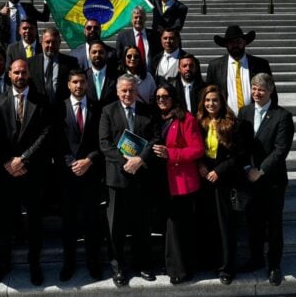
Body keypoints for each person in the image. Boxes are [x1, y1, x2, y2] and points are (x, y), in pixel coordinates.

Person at [0, 60, 52, 287]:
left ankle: (34, 263)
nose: (20, 76)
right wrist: (8, 162)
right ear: (9, 75)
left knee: (35, 220)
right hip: (6, 172)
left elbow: (46, 134)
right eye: (16, 72)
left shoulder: (42, 101)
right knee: (5, 221)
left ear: (29, 75)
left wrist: (23, 158)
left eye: (23, 72)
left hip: (32, 170)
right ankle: (4, 262)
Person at [99, 74, 160, 287]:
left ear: (137, 92)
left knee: (141, 226)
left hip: (141, 179)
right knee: (115, 227)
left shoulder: (147, 112)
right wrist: (127, 161)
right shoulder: (108, 111)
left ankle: (143, 264)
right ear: (117, 91)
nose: (127, 94)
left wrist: (140, 160)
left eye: (131, 91)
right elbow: (104, 144)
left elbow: (155, 140)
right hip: (117, 179)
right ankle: (117, 268)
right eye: (124, 91)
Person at [238, 73, 294, 287]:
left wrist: (260, 170)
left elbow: (280, 150)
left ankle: (274, 265)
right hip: (249, 179)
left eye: (261, 89)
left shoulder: (282, 116)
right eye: (253, 88)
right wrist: (246, 168)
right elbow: (240, 145)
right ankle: (255, 259)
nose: (256, 93)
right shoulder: (244, 112)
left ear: (271, 91)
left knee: (273, 225)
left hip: (272, 181)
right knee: (253, 222)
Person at [195, 85, 253, 285]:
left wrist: (218, 171)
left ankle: (227, 267)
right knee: (208, 223)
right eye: (208, 100)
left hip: (224, 179)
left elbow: (239, 155)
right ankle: (212, 262)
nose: (211, 104)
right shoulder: (200, 122)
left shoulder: (231, 124)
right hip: (204, 178)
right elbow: (196, 149)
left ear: (222, 102)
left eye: (215, 100)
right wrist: (201, 165)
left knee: (226, 225)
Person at [152, 83, 204, 285]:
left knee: (178, 227)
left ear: (173, 97)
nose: (161, 100)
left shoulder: (186, 119)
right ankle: (171, 265)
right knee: (168, 226)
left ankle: (181, 270)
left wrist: (170, 153)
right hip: (163, 181)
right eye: (158, 97)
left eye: (165, 96)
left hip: (181, 181)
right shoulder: (158, 119)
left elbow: (198, 149)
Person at [55, 68, 104, 281]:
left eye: (82, 82)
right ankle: (69, 263)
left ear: (87, 84)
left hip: (91, 174)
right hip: (67, 176)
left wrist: (89, 160)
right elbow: (55, 141)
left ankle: (94, 263)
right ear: (68, 84)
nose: (79, 86)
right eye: (74, 82)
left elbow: (102, 141)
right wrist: (71, 163)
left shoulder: (97, 107)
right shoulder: (59, 108)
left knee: (92, 222)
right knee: (69, 224)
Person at [206, 25, 276, 116]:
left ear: (245, 42)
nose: (235, 45)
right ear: (226, 45)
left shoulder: (260, 64)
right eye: (231, 42)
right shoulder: (214, 66)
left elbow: (272, 94)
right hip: (225, 119)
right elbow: (209, 94)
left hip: (255, 117)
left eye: (238, 41)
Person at [28, 26, 79, 105]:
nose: (51, 45)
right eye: (47, 42)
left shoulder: (71, 62)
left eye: (54, 42)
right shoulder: (31, 63)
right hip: (38, 111)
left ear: (59, 43)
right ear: (42, 42)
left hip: (62, 110)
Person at [85, 40, 118, 108]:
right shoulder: (84, 76)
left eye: (101, 52)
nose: (97, 55)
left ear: (106, 54)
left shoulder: (117, 76)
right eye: (94, 52)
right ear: (89, 54)